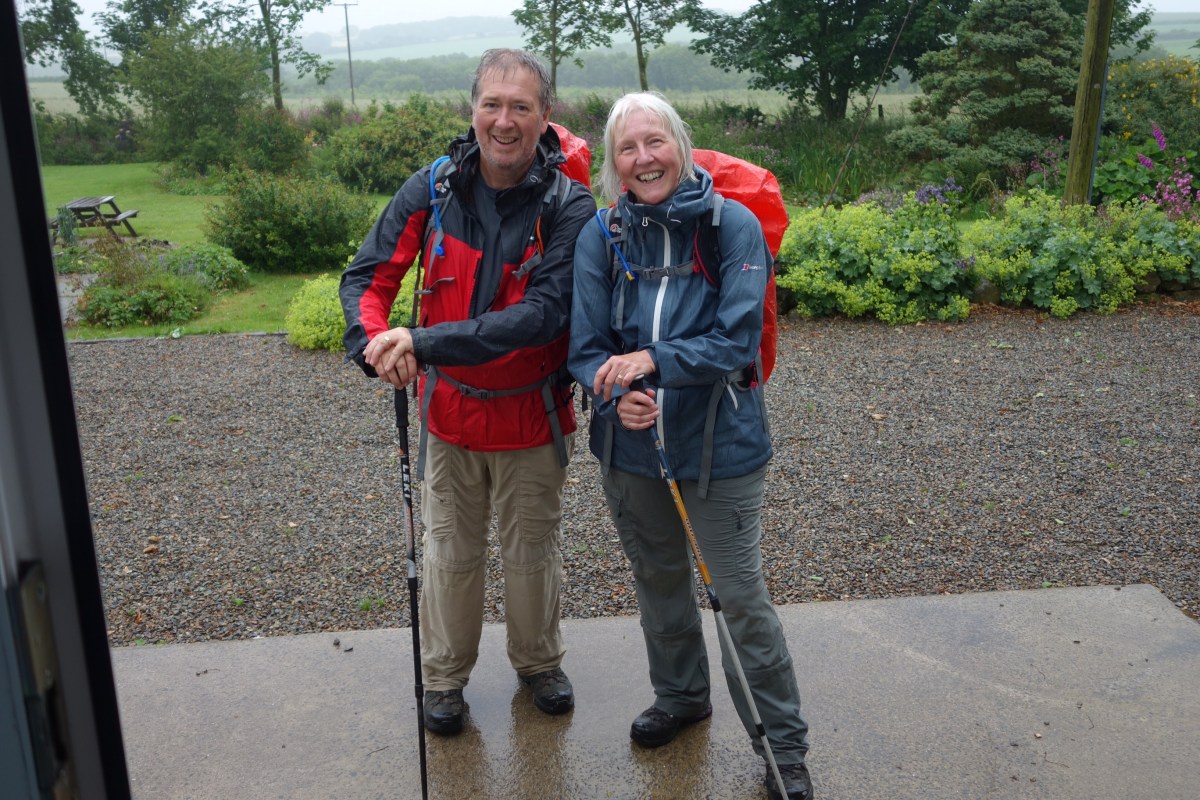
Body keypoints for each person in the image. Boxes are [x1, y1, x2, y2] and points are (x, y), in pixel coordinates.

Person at [340, 49, 595, 736]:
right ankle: (443, 679)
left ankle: (539, 663)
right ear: (472, 108)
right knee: (448, 552)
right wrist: (375, 345)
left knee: (531, 551)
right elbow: (368, 279)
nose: (504, 120)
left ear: (546, 116)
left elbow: (542, 315)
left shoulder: (570, 205)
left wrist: (420, 344)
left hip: (532, 418)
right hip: (449, 417)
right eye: (492, 103)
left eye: (521, 106)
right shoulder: (434, 189)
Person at [568, 92, 814, 800]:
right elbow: (584, 349)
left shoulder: (731, 227)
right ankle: (680, 697)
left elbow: (737, 340)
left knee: (739, 596)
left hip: (722, 446)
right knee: (659, 582)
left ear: (680, 142)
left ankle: (784, 747)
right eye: (626, 148)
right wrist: (614, 389)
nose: (643, 158)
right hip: (631, 448)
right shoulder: (602, 236)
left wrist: (651, 363)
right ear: (613, 165)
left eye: (655, 142)